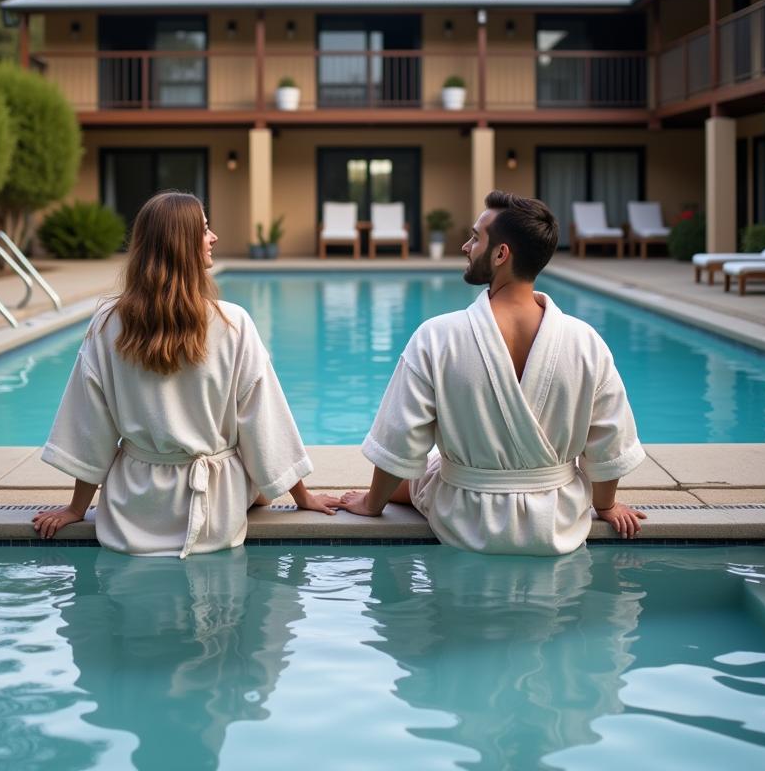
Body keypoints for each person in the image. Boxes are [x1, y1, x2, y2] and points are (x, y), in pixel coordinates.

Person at [33, 191, 338, 557]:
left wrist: (76, 509)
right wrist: (301, 497)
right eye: (205, 230)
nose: (214, 238)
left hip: (135, 503)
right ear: (181, 244)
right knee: (249, 478)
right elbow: (263, 422)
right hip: (217, 502)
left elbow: (90, 426)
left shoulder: (108, 324)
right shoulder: (233, 323)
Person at [340, 190, 647, 554]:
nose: (466, 247)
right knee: (433, 468)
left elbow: (400, 441)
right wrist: (607, 506)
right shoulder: (586, 342)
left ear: (501, 254)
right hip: (557, 518)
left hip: (465, 516)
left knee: (431, 469)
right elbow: (610, 443)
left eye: (475, 238)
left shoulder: (437, 337)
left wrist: (372, 506)